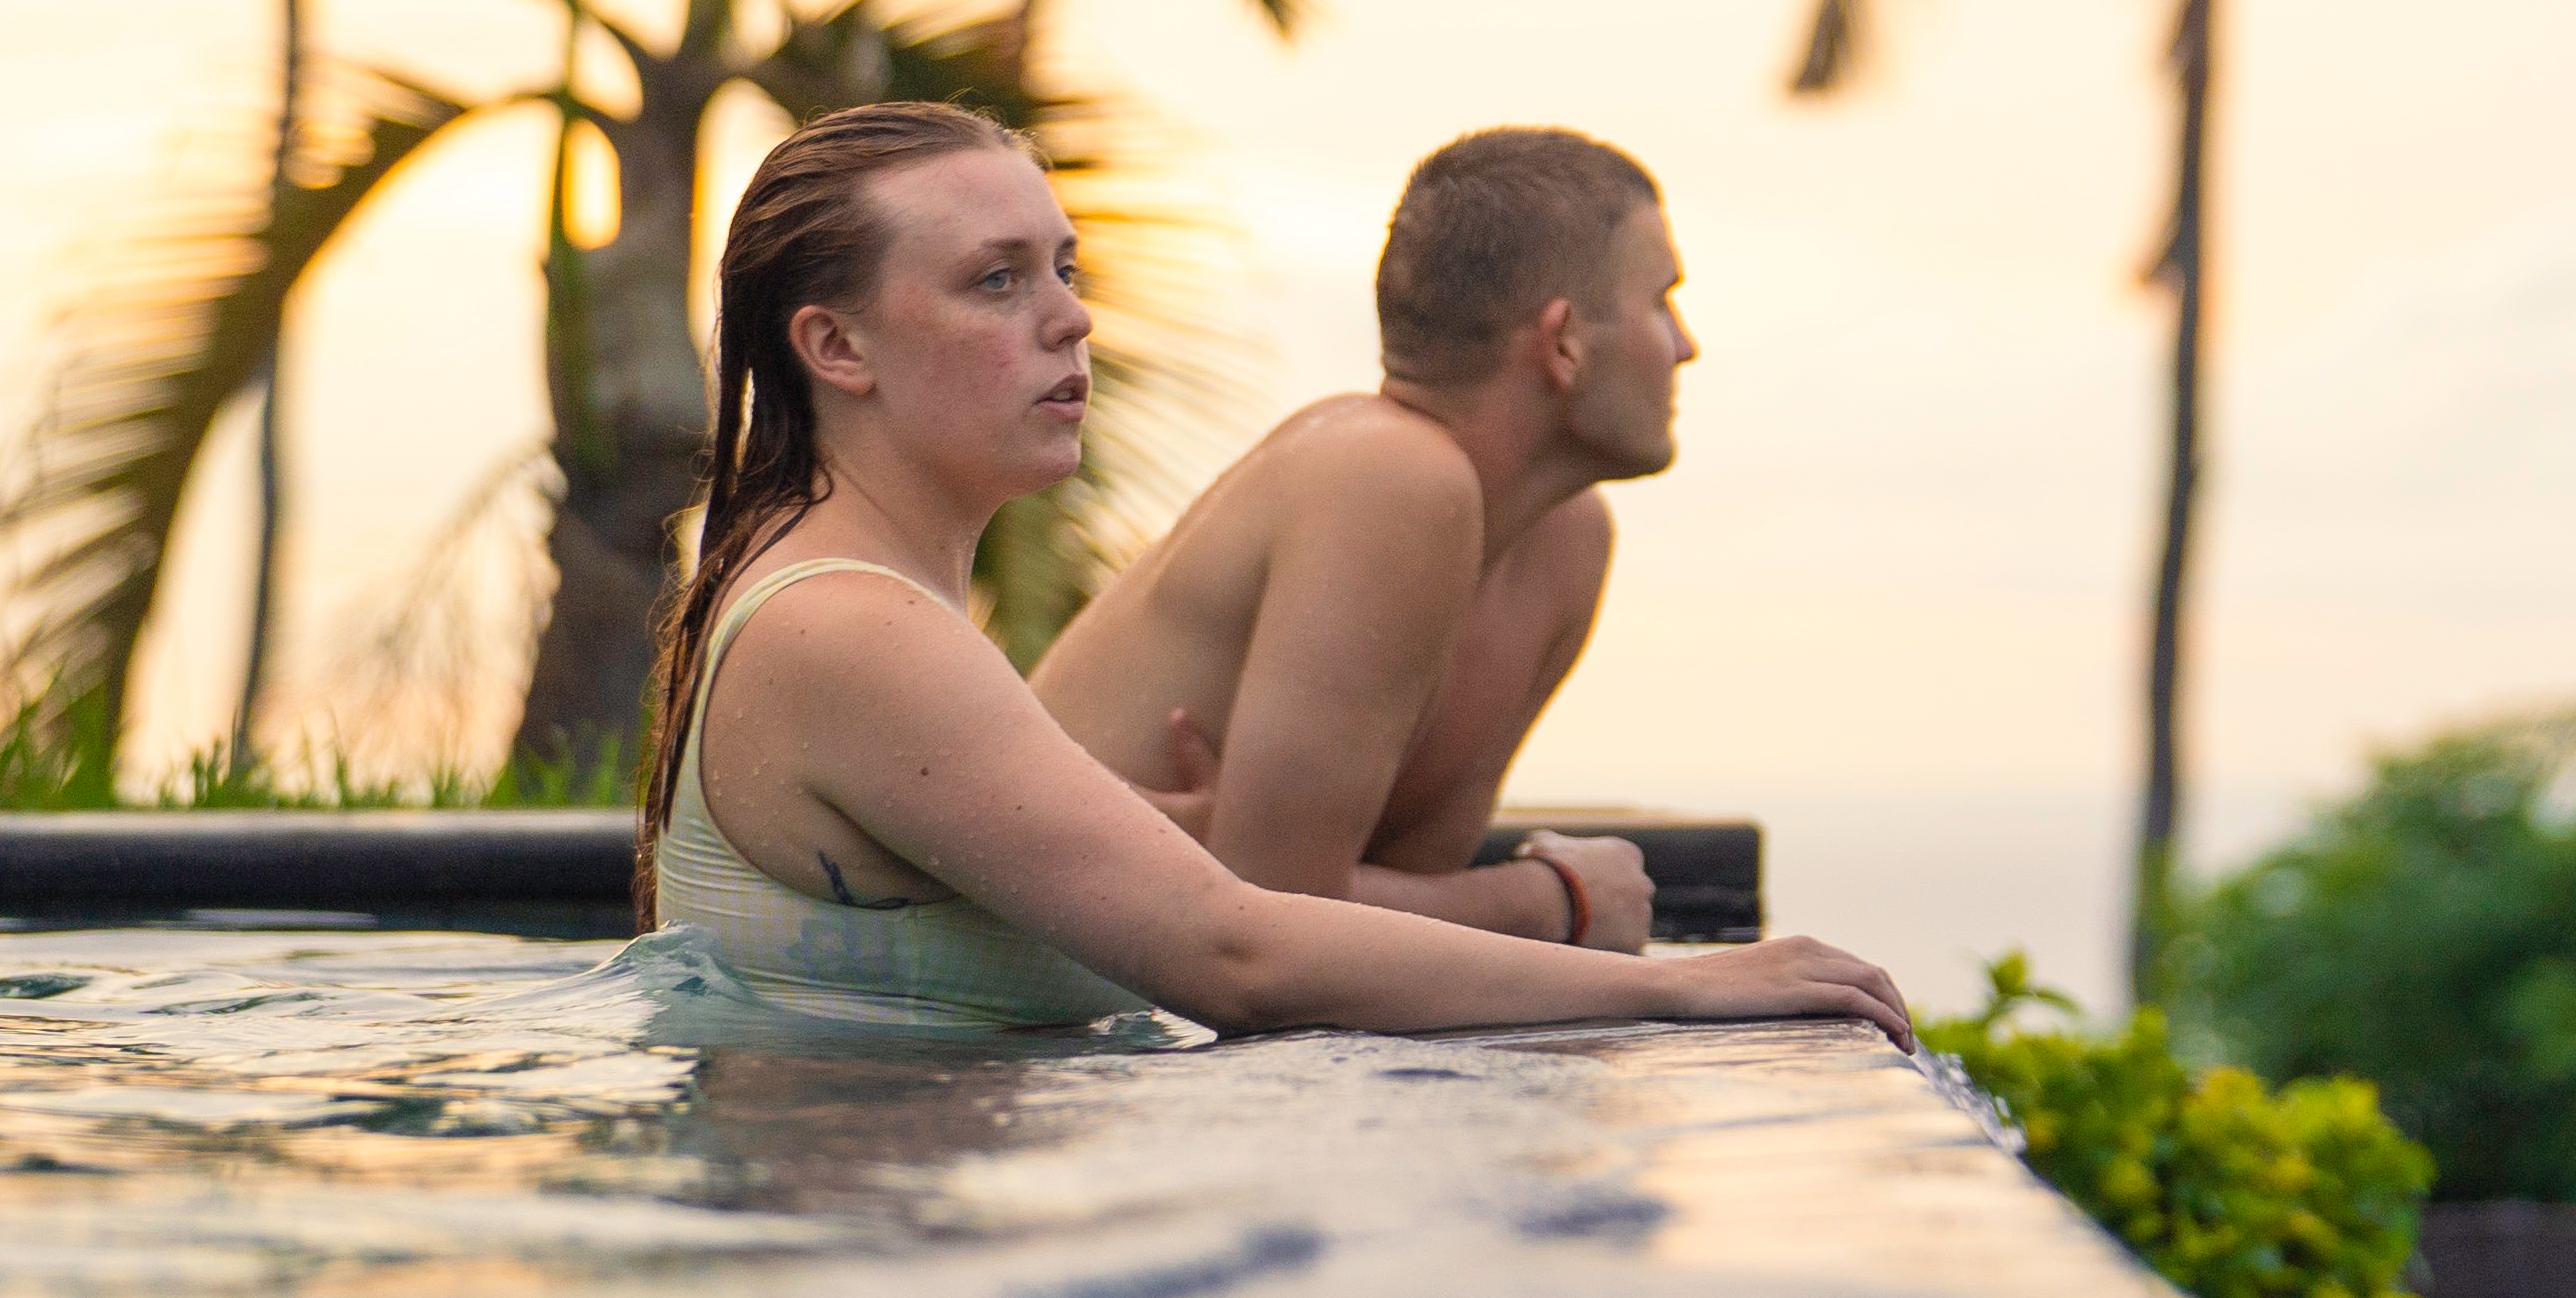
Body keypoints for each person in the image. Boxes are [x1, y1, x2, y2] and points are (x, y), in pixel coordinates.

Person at [635, 98, 1904, 1043]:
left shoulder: (847, 601)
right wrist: (1668, 978)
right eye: (996, 279)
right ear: (835, 344)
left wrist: (1176, 835)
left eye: (1064, 267)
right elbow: (1234, 951)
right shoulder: (848, 627)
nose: (1069, 314)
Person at [1027, 126, 1682, 956]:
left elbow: (1369, 912)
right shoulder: (1384, 472)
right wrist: (1560, 902)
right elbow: (1278, 918)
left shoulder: (1561, 543)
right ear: (1564, 342)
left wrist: (1251, 863)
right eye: (1661, 299)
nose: (1685, 345)